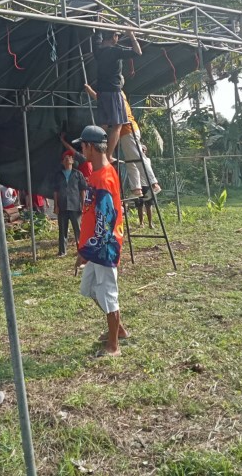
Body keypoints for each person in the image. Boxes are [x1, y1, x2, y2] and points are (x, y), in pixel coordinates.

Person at [72, 125, 128, 357]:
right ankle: (119, 329)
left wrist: (86, 251)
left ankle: (113, 346)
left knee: (108, 293)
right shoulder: (97, 173)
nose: (81, 151)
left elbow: (105, 223)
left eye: (82, 146)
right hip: (95, 247)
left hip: (104, 248)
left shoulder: (103, 178)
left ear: (90, 147)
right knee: (89, 289)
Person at [84, 84, 161, 199]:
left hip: (129, 130)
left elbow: (103, 101)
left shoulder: (117, 95)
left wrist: (91, 91)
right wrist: (90, 91)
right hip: (126, 132)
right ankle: (136, 189)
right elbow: (103, 100)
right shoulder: (115, 95)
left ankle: (154, 184)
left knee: (138, 157)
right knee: (131, 161)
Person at [92, 30, 142, 161]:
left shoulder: (98, 50)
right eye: (117, 36)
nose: (118, 38)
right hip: (113, 91)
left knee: (103, 125)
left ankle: (99, 153)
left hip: (101, 92)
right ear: (113, 37)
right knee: (117, 125)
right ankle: (108, 155)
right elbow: (138, 52)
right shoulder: (115, 51)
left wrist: (100, 24)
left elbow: (97, 33)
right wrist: (131, 35)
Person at [52, 151, 88, 256]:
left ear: (73, 161)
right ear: (62, 162)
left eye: (70, 157)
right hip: (62, 205)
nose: (68, 158)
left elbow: (83, 190)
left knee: (78, 229)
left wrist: (83, 204)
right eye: (65, 158)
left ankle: (81, 250)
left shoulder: (78, 174)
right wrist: (56, 205)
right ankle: (62, 251)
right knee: (62, 230)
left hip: (75, 205)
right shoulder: (58, 175)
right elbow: (55, 191)